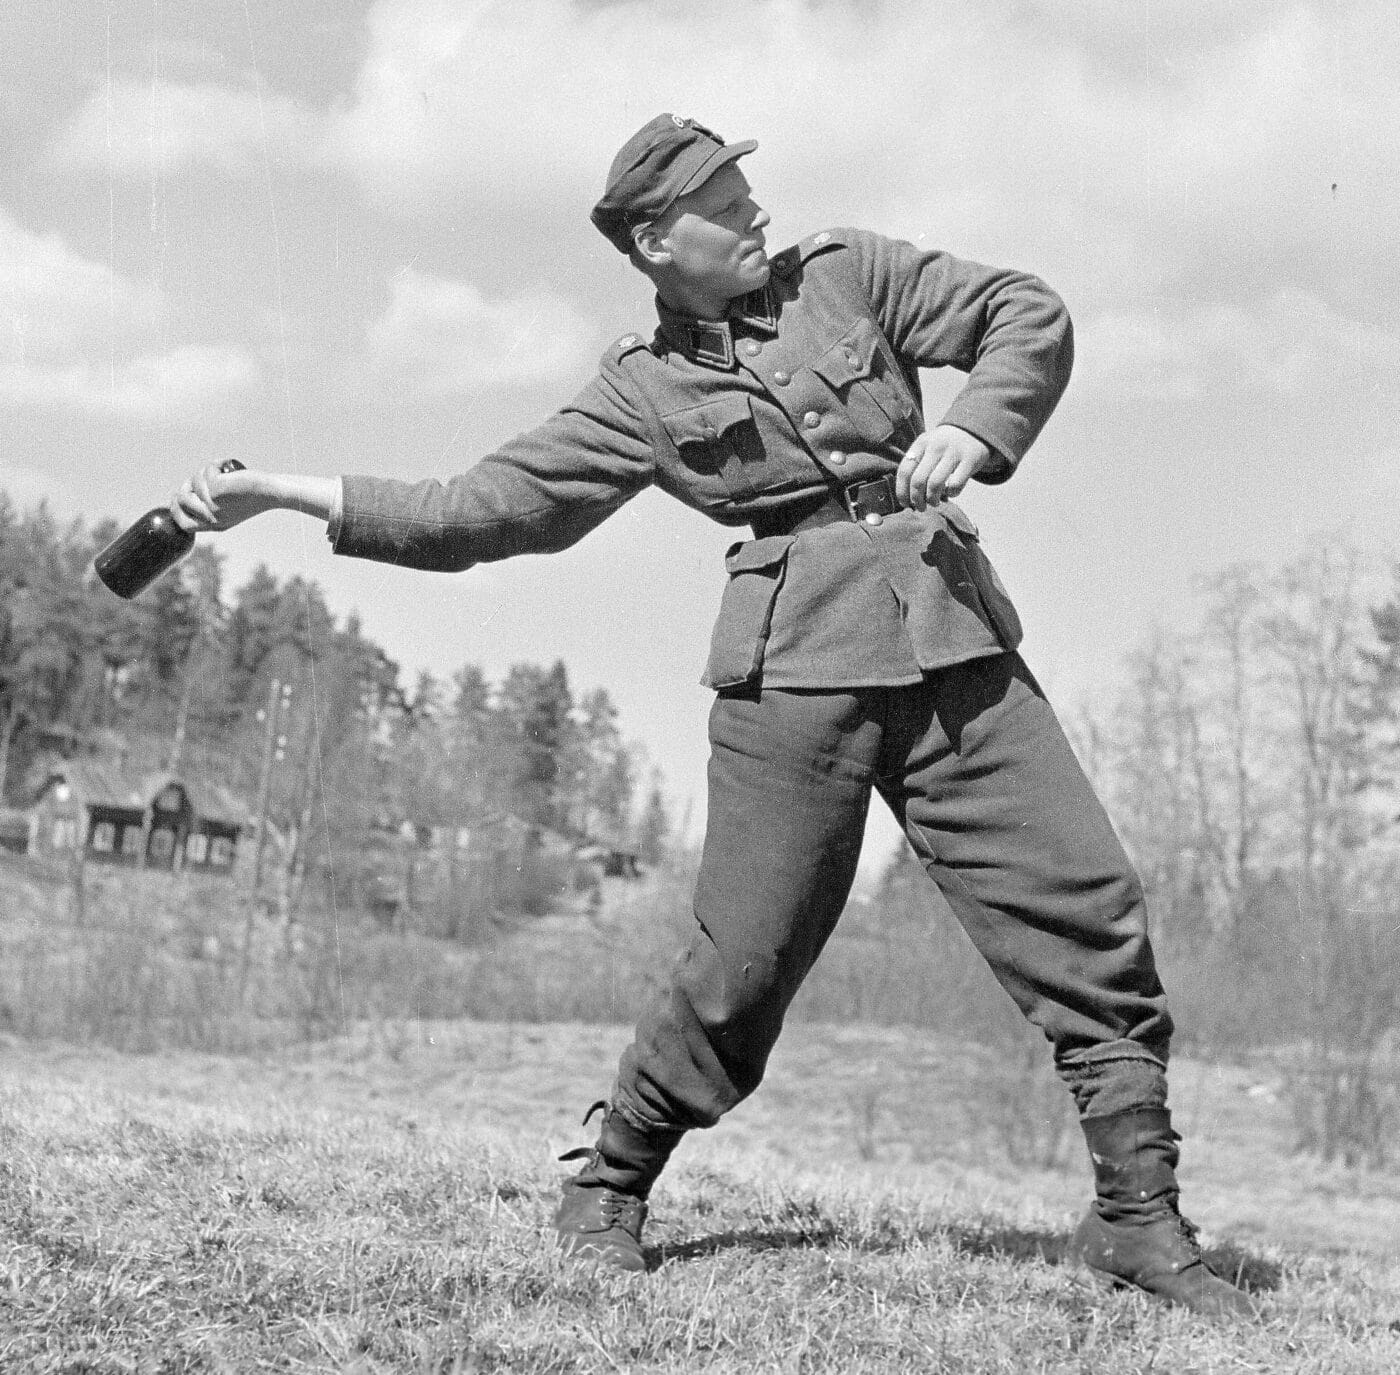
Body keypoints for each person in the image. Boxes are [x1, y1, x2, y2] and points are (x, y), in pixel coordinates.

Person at [169, 114, 1255, 1318]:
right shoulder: (638, 391)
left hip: (950, 640)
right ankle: (610, 1181)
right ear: (651, 239)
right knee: (741, 962)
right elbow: (474, 511)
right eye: (725, 207)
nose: (755, 217)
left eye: (748, 194)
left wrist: (967, 425)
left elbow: (1022, 308)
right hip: (789, 673)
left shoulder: (846, 273)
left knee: (1086, 908)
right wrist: (273, 492)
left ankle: (1136, 1218)